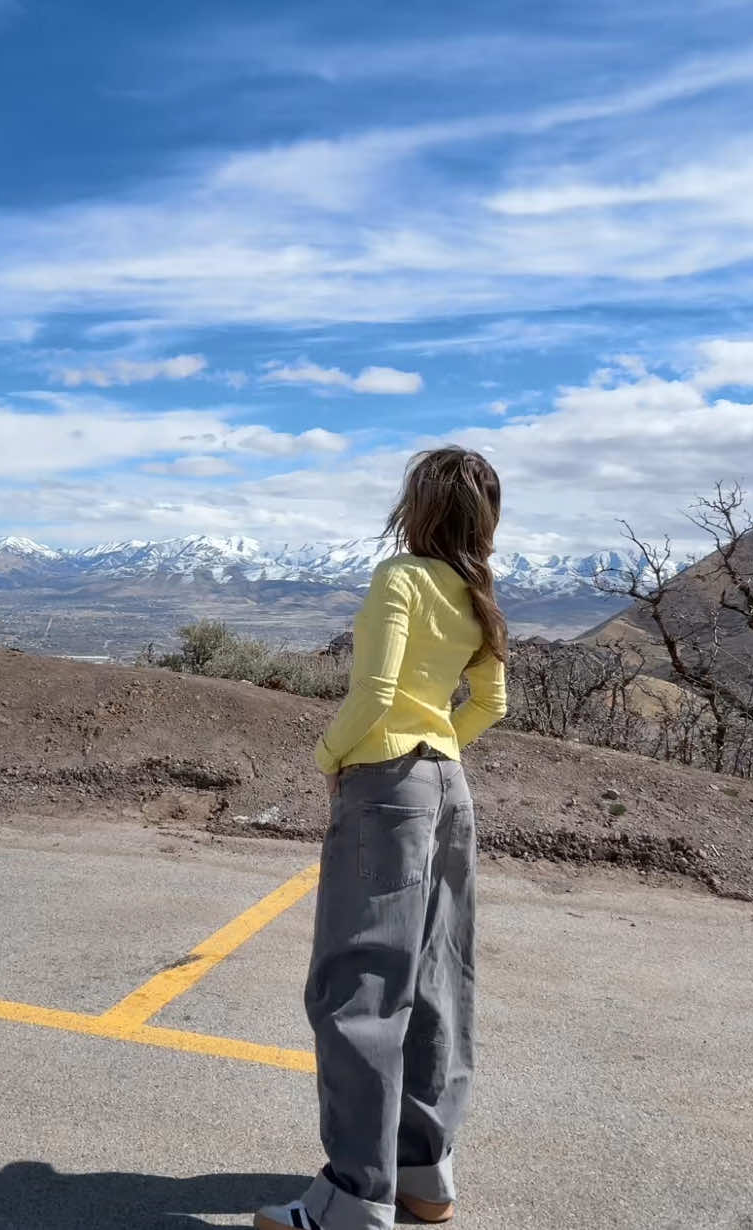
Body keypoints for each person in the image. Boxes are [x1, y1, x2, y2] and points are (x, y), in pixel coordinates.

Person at [256, 446, 508, 1230]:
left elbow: (375, 692)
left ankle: (354, 1202)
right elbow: (490, 703)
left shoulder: (400, 579)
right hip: (449, 788)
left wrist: (332, 757)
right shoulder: (478, 594)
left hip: (387, 786)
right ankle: (424, 1176)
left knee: (358, 983)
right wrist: (442, 742)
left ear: (418, 506)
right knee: (437, 978)